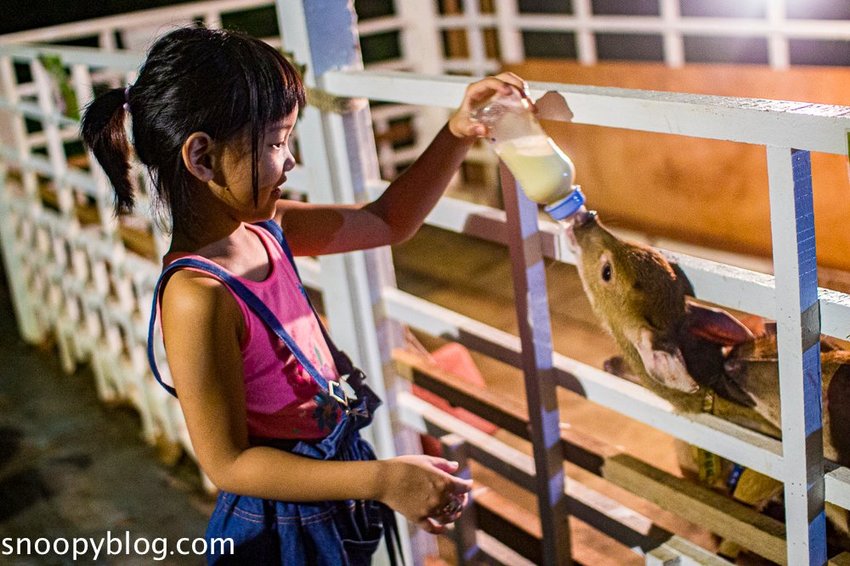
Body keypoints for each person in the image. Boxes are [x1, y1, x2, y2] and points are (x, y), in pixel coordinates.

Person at [81, 25, 529, 565]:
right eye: (274, 142)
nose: (289, 161)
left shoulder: (269, 229)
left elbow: (387, 221)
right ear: (201, 158)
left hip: (333, 475)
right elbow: (228, 464)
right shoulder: (197, 295)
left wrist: (458, 130)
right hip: (280, 521)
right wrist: (380, 479)